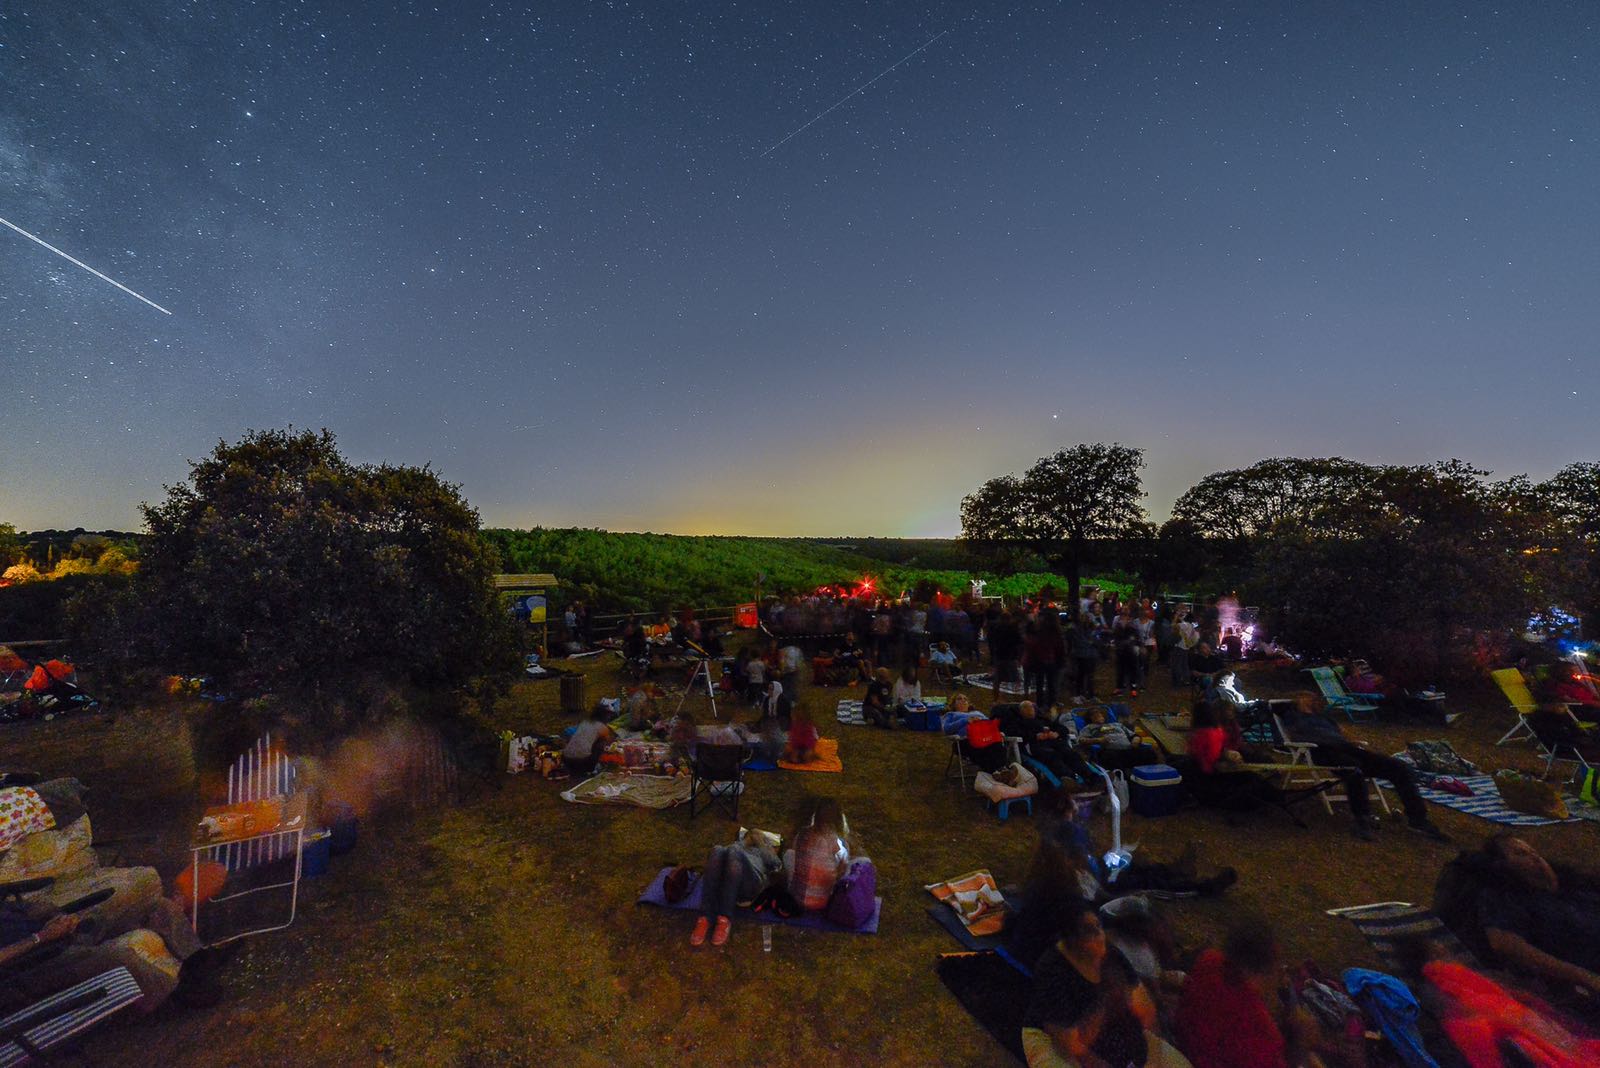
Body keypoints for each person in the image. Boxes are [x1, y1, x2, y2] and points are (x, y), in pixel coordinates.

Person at [1020, 900, 1189, 1068]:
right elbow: (1069, 1044)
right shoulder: (1053, 970)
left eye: (1098, 926)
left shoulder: (1111, 955)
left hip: (1112, 1039)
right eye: (1088, 931)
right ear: (1072, 939)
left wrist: (1152, 1052)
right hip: (1053, 1041)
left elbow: (1145, 1010)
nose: (1099, 935)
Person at [1281, 692, 1449, 842]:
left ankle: (1418, 819)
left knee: (1399, 768)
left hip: (1348, 749)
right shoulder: (1292, 716)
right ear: (1297, 699)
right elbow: (1294, 736)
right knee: (1354, 771)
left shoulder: (1324, 718)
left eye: (1311, 697)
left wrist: (1351, 741)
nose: (1309, 699)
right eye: (1304, 696)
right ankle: (1362, 819)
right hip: (1323, 751)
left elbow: (1341, 735)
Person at [1474, 833, 1600, 997]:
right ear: (1502, 864)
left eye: (1533, 852)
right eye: (1521, 854)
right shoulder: (1508, 897)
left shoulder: (1574, 885)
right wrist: (1583, 976)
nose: (1535, 857)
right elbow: (1505, 944)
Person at [1174, 923, 1312, 1068]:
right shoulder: (1258, 1029)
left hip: (1186, 1047)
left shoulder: (1208, 961)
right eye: (1280, 966)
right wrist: (1301, 1046)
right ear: (1270, 968)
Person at [689, 831, 783, 947]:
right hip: (727, 885)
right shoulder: (736, 847)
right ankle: (705, 918)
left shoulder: (764, 850)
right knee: (717, 849)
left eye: (758, 835)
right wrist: (743, 843)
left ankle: (724, 918)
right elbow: (724, 856)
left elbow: (777, 865)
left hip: (750, 884)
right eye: (751, 834)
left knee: (733, 851)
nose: (754, 836)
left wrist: (761, 844)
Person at [786, 799, 852, 912]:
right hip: (823, 902)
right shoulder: (838, 843)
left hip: (796, 897)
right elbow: (842, 873)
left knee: (789, 854)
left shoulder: (802, 834)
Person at [1008, 700, 1094, 784]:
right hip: (1035, 745)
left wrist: (1057, 733)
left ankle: (1090, 776)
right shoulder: (1018, 723)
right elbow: (1015, 733)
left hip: (1054, 743)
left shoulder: (1043, 720)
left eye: (1031, 707)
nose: (1030, 709)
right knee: (1052, 756)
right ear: (1020, 711)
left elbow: (1063, 729)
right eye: (1026, 708)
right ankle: (1069, 778)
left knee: (1070, 753)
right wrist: (1035, 736)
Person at [1025, 612, 1067, 712]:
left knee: (1041, 683)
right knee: (1050, 683)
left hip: (1042, 660)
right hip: (1049, 660)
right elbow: (1060, 647)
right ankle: (1049, 703)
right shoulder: (1055, 632)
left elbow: (1034, 644)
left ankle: (1042, 704)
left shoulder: (1040, 631)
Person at [563, 706, 614, 778]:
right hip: (581, 761)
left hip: (566, 759)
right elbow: (609, 741)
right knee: (601, 743)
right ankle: (591, 768)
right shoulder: (602, 727)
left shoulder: (585, 722)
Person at [990, 608, 1025, 703]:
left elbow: (993, 641)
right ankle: (1016, 700)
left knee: (998, 680)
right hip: (1011, 656)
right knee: (1015, 680)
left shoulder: (997, 628)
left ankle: (995, 699)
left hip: (999, 656)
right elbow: (1019, 642)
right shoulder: (1013, 629)